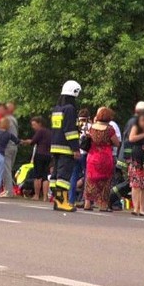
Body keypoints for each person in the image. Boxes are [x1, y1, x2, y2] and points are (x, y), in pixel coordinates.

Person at [50, 80, 82, 212]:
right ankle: (61, 202)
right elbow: (70, 131)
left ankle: (58, 201)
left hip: (55, 146)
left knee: (56, 176)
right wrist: (75, 148)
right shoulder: (70, 109)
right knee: (63, 177)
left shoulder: (56, 108)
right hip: (65, 148)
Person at [83, 107, 120, 211]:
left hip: (92, 156)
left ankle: (87, 203)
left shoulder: (92, 128)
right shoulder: (110, 129)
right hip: (105, 157)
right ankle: (103, 205)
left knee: (90, 179)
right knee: (106, 180)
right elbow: (117, 143)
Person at [118, 101, 144, 171]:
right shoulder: (136, 122)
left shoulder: (133, 121)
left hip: (127, 156)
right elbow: (131, 139)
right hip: (131, 157)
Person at [22, 116, 51, 201]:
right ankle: (45, 197)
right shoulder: (49, 132)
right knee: (45, 176)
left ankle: (37, 195)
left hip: (40, 154)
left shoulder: (40, 131)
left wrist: (25, 141)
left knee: (37, 176)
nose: (33, 127)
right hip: (48, 155)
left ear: (40, 124)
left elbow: (33, 141)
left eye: (34, 125)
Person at [69, 108, 91, 206]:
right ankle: (85, 199)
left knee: (73, 176)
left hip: (75, 152)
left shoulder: (75, 126)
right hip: (86, 153)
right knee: (87, 176)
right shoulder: (90, 126)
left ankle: (71, 199)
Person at [1, 102, 19, 198]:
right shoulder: (14, 119)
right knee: (9, 169)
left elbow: (2, 132)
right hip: (14, 146)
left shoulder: (6, 120)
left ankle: (8, 191)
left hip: (7, 146)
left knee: (6, 169)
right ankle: (7, 189)